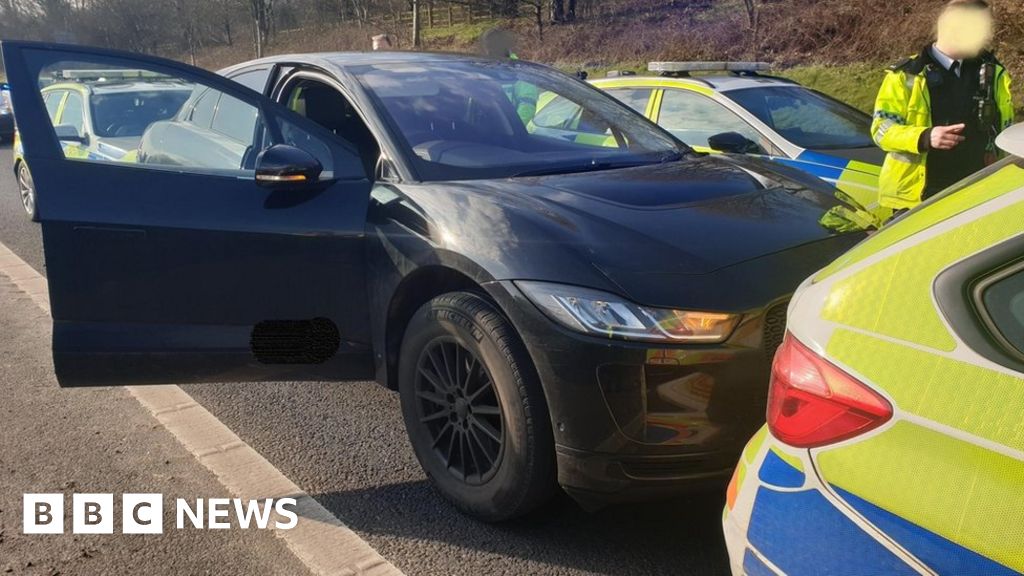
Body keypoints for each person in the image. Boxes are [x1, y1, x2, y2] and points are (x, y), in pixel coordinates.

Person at [872, 0, 1014, 216]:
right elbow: (881, 130)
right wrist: (926, 136)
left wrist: (993, 151)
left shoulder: (991, 71)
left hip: (976, 189)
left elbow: (1001, 124)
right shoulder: (906, 75)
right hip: (920, 195)